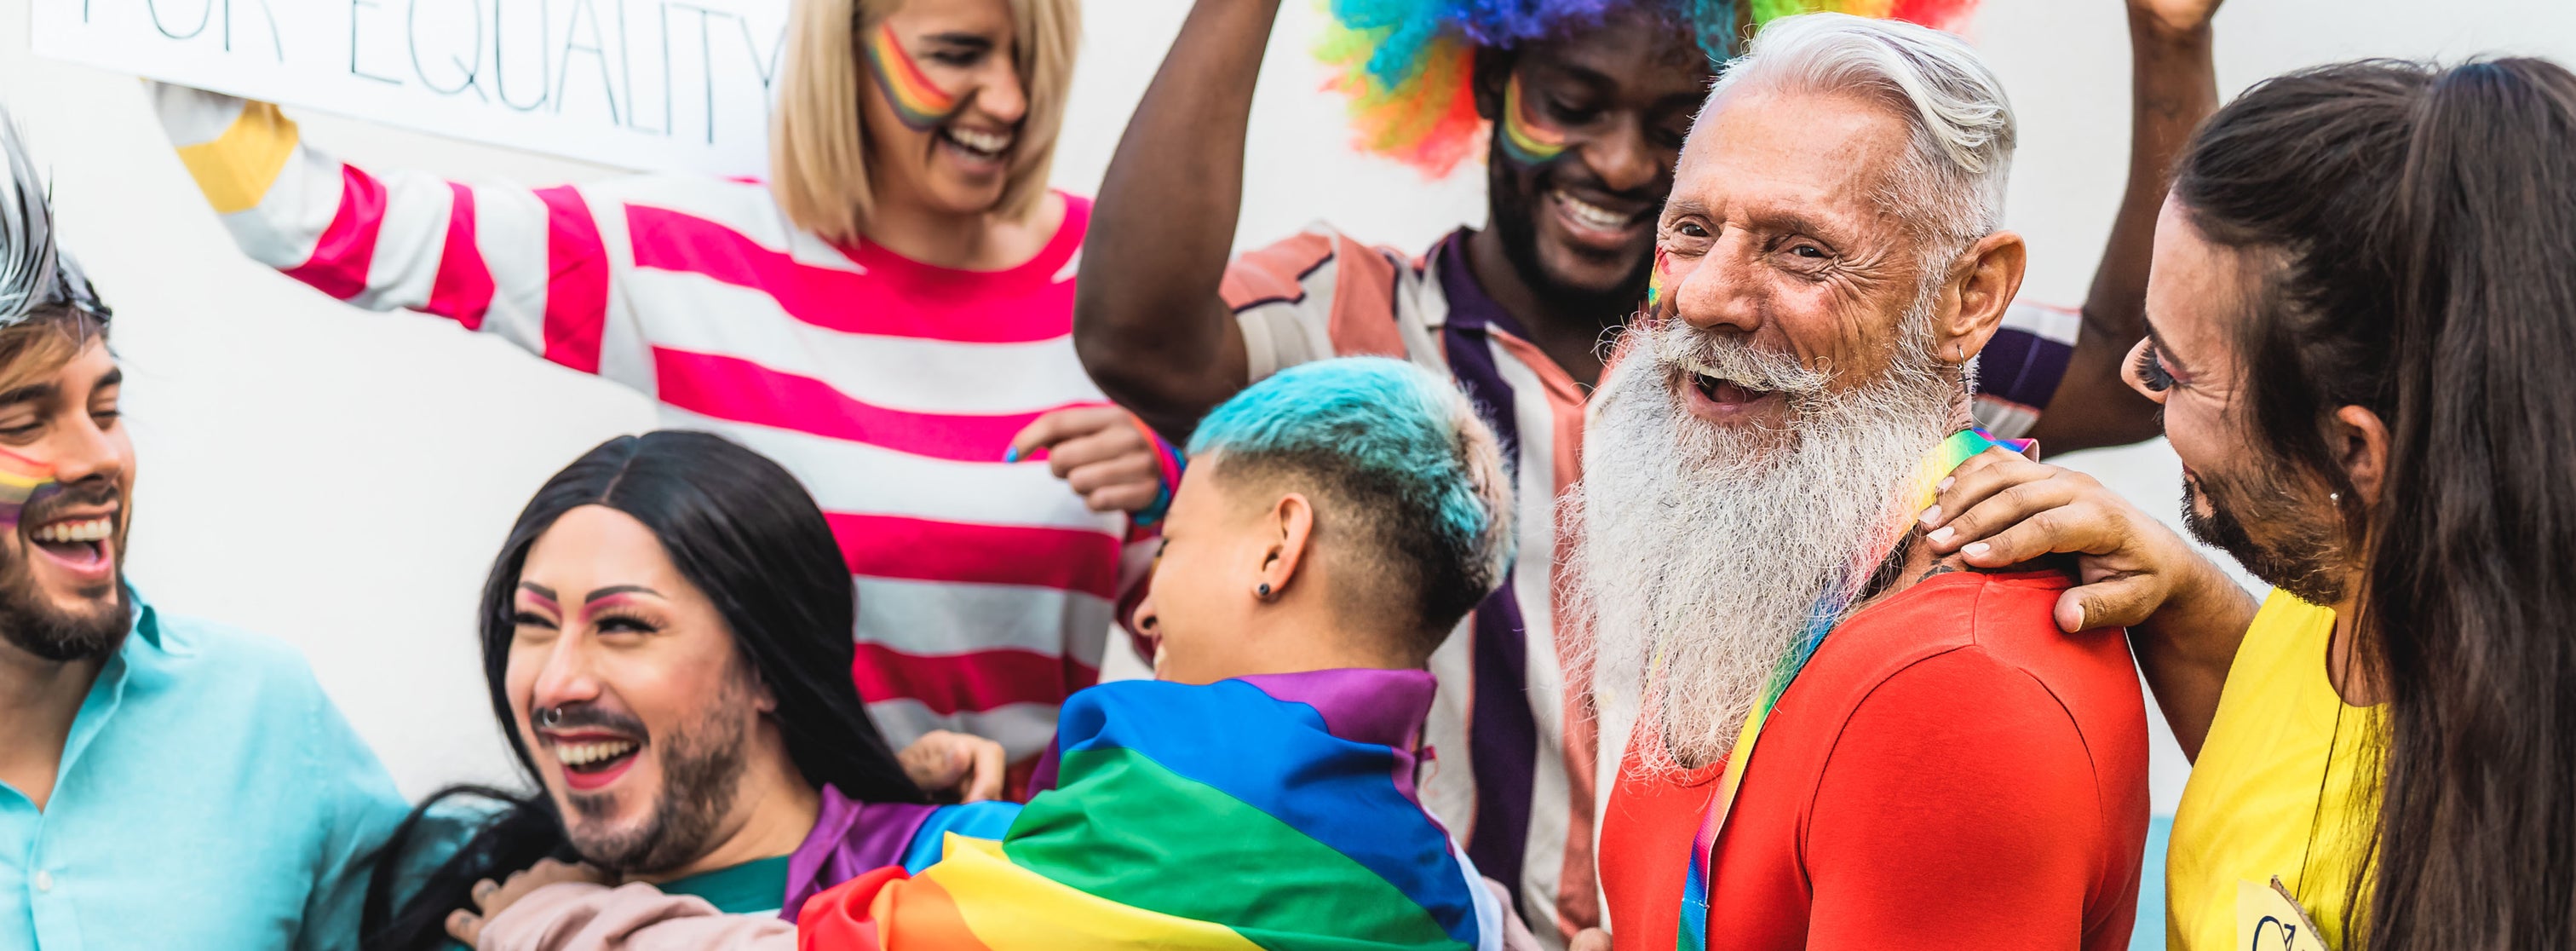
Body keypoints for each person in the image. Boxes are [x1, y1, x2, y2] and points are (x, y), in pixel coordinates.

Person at [1071, 0, 2216, 935]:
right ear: (1480, 91)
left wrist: (2170, 43)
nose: (1618, 165)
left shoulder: (1833, 396)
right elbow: (1139, 336)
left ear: (1963, 299)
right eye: (1571, 106)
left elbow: (2130, 361)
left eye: (1800, 246)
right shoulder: (1376, 311)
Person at [151, 0, 1164, 778]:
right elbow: (314, 224)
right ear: (839, 48)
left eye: (1031, 58)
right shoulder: (694, 257)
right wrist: (156, 38)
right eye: (959, 52)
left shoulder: (1118, 291)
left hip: (1033, 893)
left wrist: (1174, 490)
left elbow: (1231, 639)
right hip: (774, 901)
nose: (1011, 101)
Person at [441, 358, 1538, 951]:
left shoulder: (1179, 822)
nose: (1146, 608)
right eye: (534, 622)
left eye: (1173, 543)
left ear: (1279, 545)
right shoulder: (1439, 880)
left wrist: (548, 923)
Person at [1920, 56, 2576, 950]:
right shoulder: (2353, 589)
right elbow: (2289, 772)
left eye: (2176, 370)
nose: (2132, 377)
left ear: (2355, 450)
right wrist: (2184, 592)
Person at [1574, 15, 2148, 949]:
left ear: (1969, 297)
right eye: (1691, 230)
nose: (1705, 296)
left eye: (1803, 251)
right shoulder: (1767, 550)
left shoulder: (1952, 687)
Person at [0, 113, 413, 948]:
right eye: (26, 420)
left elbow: (465, 912)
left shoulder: (264, 712)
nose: (100, 457)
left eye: (107, 409)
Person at [372, 431, 1026, 950]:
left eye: (623, 625)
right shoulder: (481, 905)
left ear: (767, 665)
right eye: (534, 624)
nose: (557, 683)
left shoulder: (966, 861)